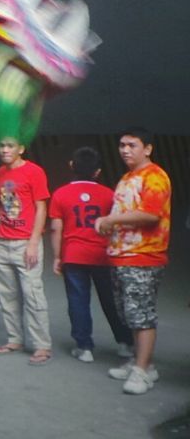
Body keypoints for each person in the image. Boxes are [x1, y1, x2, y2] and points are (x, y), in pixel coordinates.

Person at [95, 128, 171, 395]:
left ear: (147, 148)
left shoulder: (155, 176)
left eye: (132, 145)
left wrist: (111, 220)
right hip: (121, 257)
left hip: (144, 257)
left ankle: (143, 371)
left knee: (141, 316)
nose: (125, 150)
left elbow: (151, 215)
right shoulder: (128, 177)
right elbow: (125, 213)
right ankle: (141, 363)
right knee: (129, 314)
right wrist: (108, 227)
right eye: (122, 145)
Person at [48, 146, 131, 364]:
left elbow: (56, 228)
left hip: (73, 255)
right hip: (103, 256)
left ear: (71, 166)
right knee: (111, 300)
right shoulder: (108, 194)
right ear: (98, 172)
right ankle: (124, 343)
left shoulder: (60, 194)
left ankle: (84, 347)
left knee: (78, 300)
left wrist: (57, 257)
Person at [0, 137, 52, 365]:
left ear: (21, 149)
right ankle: (14, 339)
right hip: (2, 242)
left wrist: (34, 242)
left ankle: (42, 346)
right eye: (1, 145)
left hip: (26, 242)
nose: (5, 150)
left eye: (10, 146)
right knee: (7, 294)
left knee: (32, 294)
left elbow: (41, 207)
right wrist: (1, 218)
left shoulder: (34, 172)